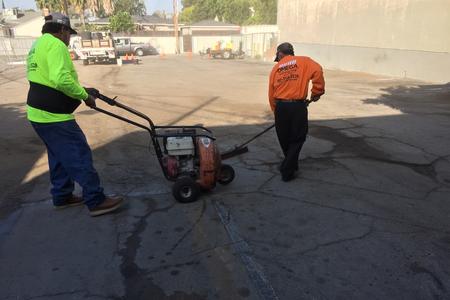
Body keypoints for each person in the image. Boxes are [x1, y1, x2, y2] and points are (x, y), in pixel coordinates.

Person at [26, 13, 123, 216]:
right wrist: (84, 96)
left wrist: (84, 89)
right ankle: (96, 200)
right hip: (54, 116)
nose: (69, 38)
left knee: (58, 155)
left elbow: (49, 79)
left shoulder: (38, 45)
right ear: (62, 31)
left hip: (38, 113)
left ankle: (62, 196)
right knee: (79, 154)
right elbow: (61, 79)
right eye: (69, 33)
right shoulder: (56, 45)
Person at [268, 42, 325, 182]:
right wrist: (317, 91)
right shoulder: (305, 61)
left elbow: (271, 93)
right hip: (297, 107)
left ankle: (289, 166)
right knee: (298, 137)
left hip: (281, 106)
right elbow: (318, 71)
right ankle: (289, 167)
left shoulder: (276, 68)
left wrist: (276, 111)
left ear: (280, 53)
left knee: (284, 137)